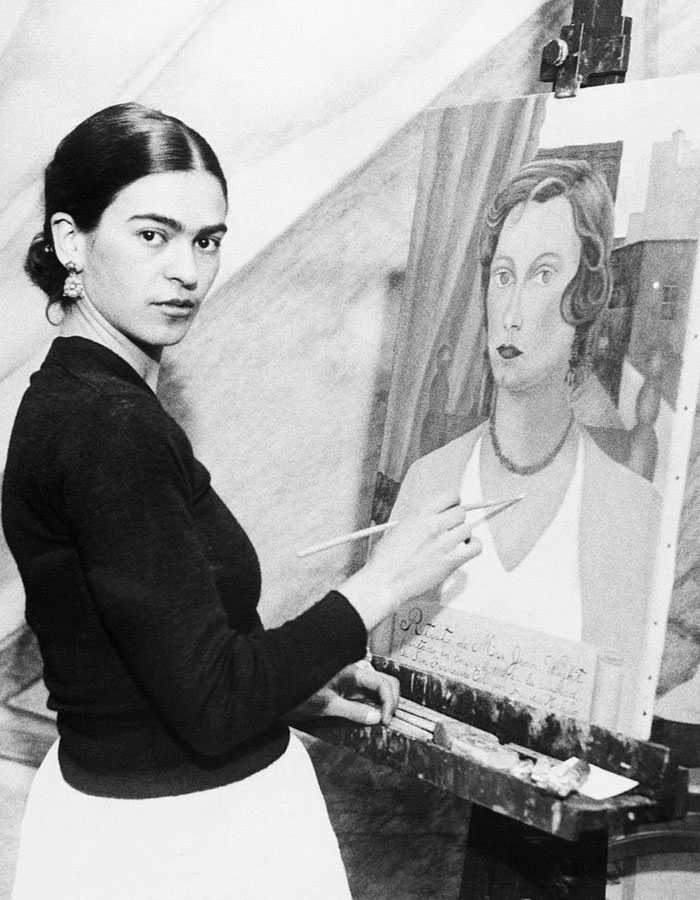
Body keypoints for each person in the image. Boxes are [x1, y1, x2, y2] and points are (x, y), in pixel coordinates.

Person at [1, 102, 482, 900]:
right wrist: (383, 585)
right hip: (185, 845)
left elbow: (157, 666)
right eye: (153, 234)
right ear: (69, 241)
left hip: (131, 822)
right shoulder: (108, 424)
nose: (188, 271)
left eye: (207, 240)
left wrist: (297, 681)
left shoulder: (74, 396)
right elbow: (215, 706)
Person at [390, 158, 661, 732]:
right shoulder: (428, 482)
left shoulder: (631, 512)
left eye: (543, 274)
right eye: (503, 276)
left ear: (585, 298)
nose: (510, 315)